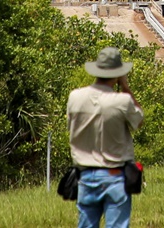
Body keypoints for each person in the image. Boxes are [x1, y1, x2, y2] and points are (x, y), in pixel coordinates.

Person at [67, 47, 144, 228]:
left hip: (85, 175)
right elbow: (138, 120)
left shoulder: (75, 97)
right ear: (118, 73)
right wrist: (125, 87)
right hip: (114, 174)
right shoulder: (121, 101)